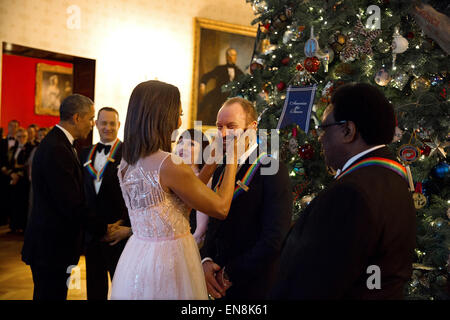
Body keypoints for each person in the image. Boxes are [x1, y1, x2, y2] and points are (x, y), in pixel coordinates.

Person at [270, 83, 416, 299]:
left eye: (324, 129)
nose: (320, 138)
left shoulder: (350, 193)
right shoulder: (392, 179)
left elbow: (316, 281)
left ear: (348, 130)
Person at [110, 80, 238, 300]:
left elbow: (176, 206)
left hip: (137, 257)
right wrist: (233, 160)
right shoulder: (169, 164)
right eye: (177, 113)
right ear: (162, 115)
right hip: (170, 260)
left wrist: (211, 164)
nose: (179, 121)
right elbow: (221, 207)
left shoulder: (127, 162)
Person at [200, 97, 293, 300]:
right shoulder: (220, 168)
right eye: (219, 127)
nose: (223, 134)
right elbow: (212, 224)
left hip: (253, 286)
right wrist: (206, 260)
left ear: (252, 128)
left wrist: (229, 273)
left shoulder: (272, 169)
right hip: (215, 284)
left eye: (231, 126)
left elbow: (274, 238)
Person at [21, 94, 106, 300]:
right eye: (90, 118)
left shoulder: (60, 143)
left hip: (53, 246)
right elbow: (70, 203)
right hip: (51, 248)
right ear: (77, 118)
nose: (92, 124)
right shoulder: (57, 148)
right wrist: (103, 229)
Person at [80, 106, 131, 300]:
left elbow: (135, 192)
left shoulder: (129, 153)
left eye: (112, 123)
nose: (107, 127)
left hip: (119, 233)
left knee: (122, 288)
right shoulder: (84, 154)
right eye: (103, 123)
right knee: (94, 288)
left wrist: (124, 224)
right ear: (96, 124)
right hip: (93, 234)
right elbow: (82, 194)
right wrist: (91, 226)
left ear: (119, 125)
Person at [174, 129, 211, 246]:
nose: (182, 147)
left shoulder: (205, 179)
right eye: (180, 142)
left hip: (188, 243)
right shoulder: (171, 176)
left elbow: (200, 230)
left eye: (191, 144)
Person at [197, 48, 244, 126]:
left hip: (232, 97)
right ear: (227, 56)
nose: (234, 57)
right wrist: (203, 84)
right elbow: (207, 76)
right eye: (232, 55)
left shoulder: (239, 71)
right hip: (219, 94)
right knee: (208, 105)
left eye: (235, 55)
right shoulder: (220, 69)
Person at [7, 127, 33, 233]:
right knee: (13, 203)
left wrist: (18, 174)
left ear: (27, 137)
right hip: (12, 179)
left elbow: (29, 165)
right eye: (19, 136)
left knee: (23, 204)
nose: (21, 138)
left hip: (24, 181)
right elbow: (8, 163)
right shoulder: (13, 149)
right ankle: (13, 226)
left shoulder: (31, 148)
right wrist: (12, 174)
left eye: (24, 136)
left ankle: (22, 226)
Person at [0, 120, 20, 225]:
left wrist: (12, 172)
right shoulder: (1, 142)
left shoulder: (20, 142)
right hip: (2, 174)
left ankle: (13, 221)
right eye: (11, 126)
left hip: (16, 175)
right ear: (8, 127)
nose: (13, 128)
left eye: (15, 126)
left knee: (14, 199)